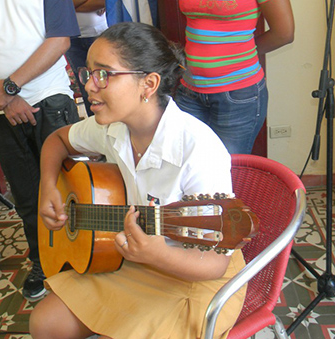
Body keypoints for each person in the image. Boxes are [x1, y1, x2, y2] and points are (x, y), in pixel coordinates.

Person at [30, 22, 247, 339]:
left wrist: (158, 255)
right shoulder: (111, 128)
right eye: (87, 73)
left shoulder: (198, 149)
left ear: (148, 84)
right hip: (133, 258)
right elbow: (57, 141)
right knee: (44, 325)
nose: (89, 86)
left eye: (103, 74)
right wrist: (47, 188)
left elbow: (213, 263)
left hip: (193, 275)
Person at [0, 0, 81, 300]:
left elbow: (59, 39)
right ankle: (43, 261)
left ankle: (81, 256)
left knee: (71, 188)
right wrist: (5, 98)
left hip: (50, 98)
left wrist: (10, 87)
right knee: (26, 197)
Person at [174, 0, 294, 154]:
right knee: (186, 164)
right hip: (189, 91)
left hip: (238, 95)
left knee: (228, 169)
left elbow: (284, 33)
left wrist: (239, 54)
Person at [66, 0, 108, 116]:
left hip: (100, 33)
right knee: (86, 88)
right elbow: (58, 4)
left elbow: (104, 2)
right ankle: (95, 127)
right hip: (72, 36)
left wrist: (68, 6)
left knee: (107, 84)